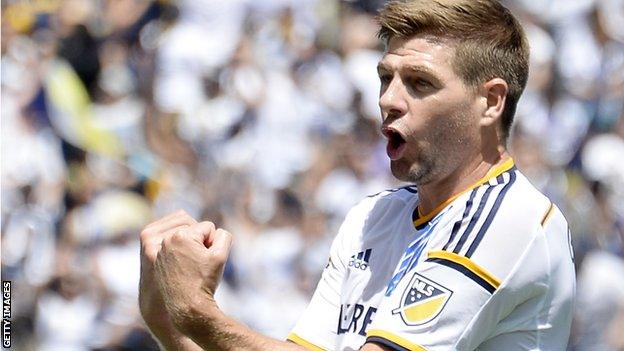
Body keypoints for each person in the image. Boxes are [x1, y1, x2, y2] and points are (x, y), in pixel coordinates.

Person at [138, 0, 576, 350]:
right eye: (386, 77)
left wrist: (196, 311)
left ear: (491, 101)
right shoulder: (373, 217)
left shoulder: (510, 218)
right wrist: (168, 320)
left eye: (420, 83)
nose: (389, 99)